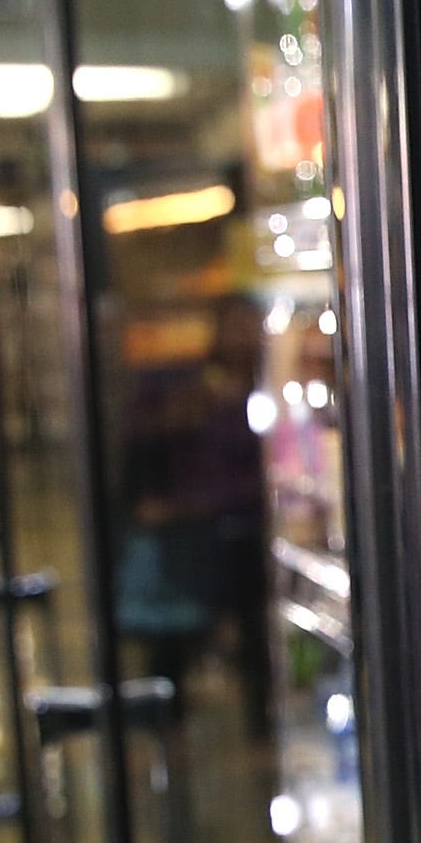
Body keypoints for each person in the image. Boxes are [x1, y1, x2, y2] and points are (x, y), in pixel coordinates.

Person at [119, 296, 274, 748]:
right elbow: (141, 441)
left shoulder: (266, 388)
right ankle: (169, 729)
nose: (242, 337)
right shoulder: (186, 386)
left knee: (254, 633)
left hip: (242, 525)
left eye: (250, 327)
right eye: (235, 326)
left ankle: (260, 732)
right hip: (193, 529)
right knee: (173, 632)